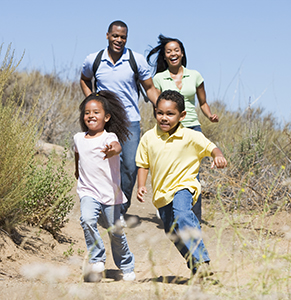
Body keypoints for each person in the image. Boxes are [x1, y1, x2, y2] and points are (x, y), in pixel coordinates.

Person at [135, 90, 227, 276]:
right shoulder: (148, 138)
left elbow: (212, 148)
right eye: (160, 113)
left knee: (183, 214)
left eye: (170, 114)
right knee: (173, 233)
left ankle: (202, 260)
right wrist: (141, 185)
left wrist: (219, 156)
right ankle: (196, 267)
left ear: (182, 115)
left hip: (184, 186)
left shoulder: (190, 136)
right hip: (161, 195)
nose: (164, 118)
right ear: (154, 112)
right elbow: (143, 164)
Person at [80, 20, 158, 215]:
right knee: (102, 163)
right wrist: (92, 102)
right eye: (115, 36)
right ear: (107, 35)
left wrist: (161, 107)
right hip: (104, 122)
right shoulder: (94, 59)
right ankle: (102, 206)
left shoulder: (135, 60)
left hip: (130, 120)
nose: (119, 40)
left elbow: (149, 88)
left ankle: (121, 208)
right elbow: (84, 79)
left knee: (130, 166)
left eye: (123, 37)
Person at [74, 91, 135, 282]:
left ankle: (126, 265)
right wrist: (77, 171)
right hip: (88, 191)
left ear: (106, 117)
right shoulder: (78, 137)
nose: (91, 115)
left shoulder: (109, 137)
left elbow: (117, 146)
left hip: (110, 193)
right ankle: (97, 258)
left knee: (115, 232)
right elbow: (78, 155)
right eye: (87, 112)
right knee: (87, 219)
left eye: (96, 112)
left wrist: (112, 150)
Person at [147, 34, 218, 132]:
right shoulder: (158, 78)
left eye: (176, 50)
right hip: (170, 128)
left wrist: (210, 116)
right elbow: (157, 107)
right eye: (169, 51)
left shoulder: (195, 75)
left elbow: (203, 103)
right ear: (164, 56)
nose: (173, 54)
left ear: (182, 53)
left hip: (193, 127)